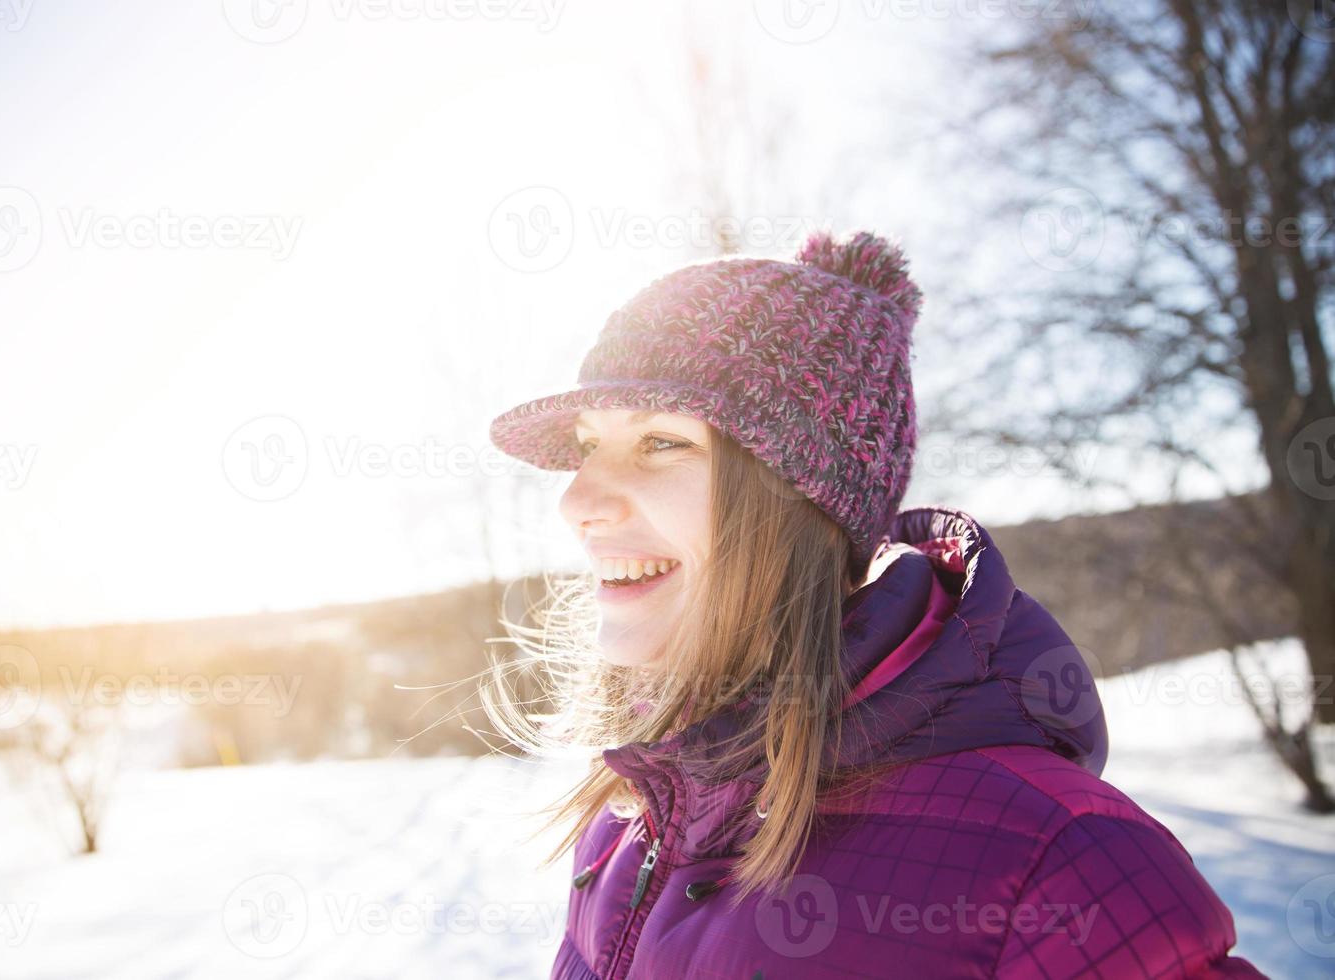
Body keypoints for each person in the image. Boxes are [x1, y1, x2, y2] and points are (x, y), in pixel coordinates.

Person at [483, 229, 1264, 978]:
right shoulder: (628, 820)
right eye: (589, 445)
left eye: (662, 441)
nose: (577, 500)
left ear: (806, 502)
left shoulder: (1056, 862)